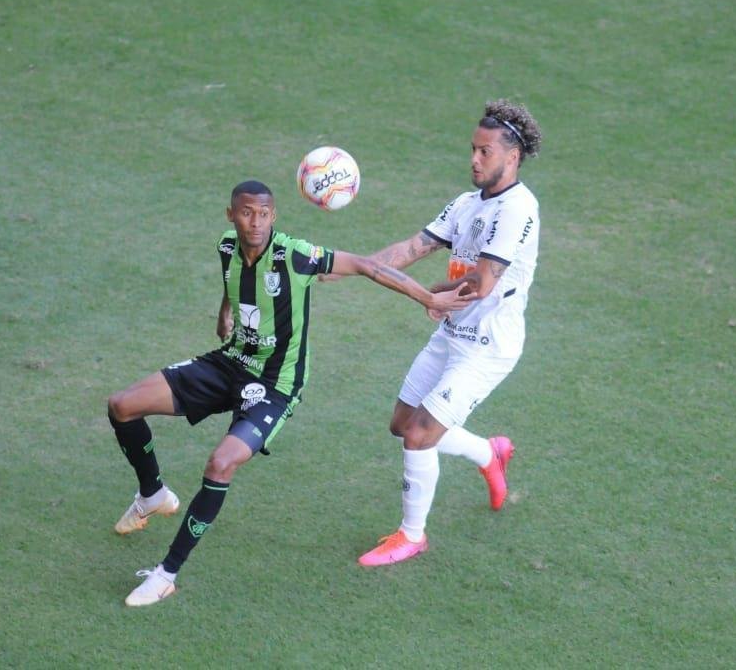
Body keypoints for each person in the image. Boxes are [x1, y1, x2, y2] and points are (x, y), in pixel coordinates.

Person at [107, 179, 474, 606]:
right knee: (122, 405)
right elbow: (233, 281)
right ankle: (152, 494)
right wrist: (225, 313)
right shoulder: (227, 245)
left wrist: (427, 297)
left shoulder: (294, 255)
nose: (256, 222)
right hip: (229, 363)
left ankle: (166, 574)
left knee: (221, 463)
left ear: (274, 216)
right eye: (247, 213)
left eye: (264, 214)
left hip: (274, 385)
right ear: (231, 215)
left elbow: (365, 266)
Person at [356, 99, 543, 566]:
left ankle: (411, 536)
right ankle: (488, 453)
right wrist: (349, 265)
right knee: (402, 425)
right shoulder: (465, 204)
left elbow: (483, 283)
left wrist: (431, 294)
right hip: (452, 334)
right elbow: (413, 247)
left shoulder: (518, 208)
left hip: (489, 348)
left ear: (512, 156)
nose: (474, 160)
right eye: (473, 150)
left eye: (484, 152)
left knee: (420, 434)